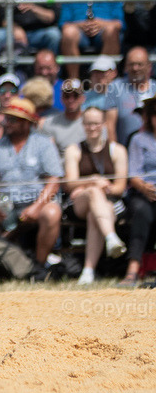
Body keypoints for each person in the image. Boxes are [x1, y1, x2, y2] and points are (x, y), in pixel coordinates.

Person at [0, 98, 64, 267]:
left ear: (27, 123)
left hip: (36, 201)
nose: (7, 123)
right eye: (7, 118)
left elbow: (53, 181)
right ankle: (2, 263)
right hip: (6, 203)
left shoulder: (44, 144)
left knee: (52, 212)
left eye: (13, 119)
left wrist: (37, 207)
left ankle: (39, 265)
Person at [63, 106, 128, 285]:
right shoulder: (73, 150)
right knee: (93, 192)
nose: (92, 128)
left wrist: (100, 186)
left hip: (109, 204)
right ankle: (111, 237)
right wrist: (93, 181)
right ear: (83, 125)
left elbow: (119, 188)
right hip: (79, 203)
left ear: (104, 124)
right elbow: (69, 184)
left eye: (96, 123)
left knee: (95, 214)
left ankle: (88, 271)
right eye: (88, 124)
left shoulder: (118, 150)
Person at [59, 0, 123, 80]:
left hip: (103, 34)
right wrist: (81, 25)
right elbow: (64, 24)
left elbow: (120, 23)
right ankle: (74, 82)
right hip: (79, 35)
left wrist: (101, 24)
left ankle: (105, 78)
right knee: (69, 32)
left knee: (111, 30)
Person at [120, 95, 156, 287]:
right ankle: (132, 271)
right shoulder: (138, 139)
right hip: (143, 193)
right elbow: (133, 175)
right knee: (141, 211)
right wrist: (144, 187)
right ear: (150, 117)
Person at [39, 79, 86, 155]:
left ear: (83, 98)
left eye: (75, 96)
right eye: (67, 96)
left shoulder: (92, 121)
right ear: (61, 99)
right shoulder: (49, 123)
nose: (71, 100)